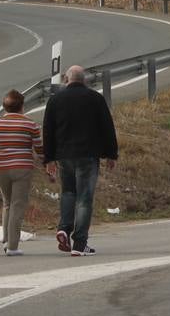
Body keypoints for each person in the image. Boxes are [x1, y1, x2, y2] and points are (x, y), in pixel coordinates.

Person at [43, 65, 118, 256]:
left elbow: (48, 130)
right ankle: (79, 243)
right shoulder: (95, 98)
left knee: (68, 192)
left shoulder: (55, 100)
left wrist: (49, 158)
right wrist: (111, 154)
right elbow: (107, 127)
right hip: (88, 154)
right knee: (84, 198)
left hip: (64, 155)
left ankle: (63, 228)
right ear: (84, 80)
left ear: (66, 80)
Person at [0, 89, 46, 255]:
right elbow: (39, 148)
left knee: (7, 203)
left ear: (4, 107)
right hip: (22, 167)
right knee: (18, 205)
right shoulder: (30, 124)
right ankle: (13, 246)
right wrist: (46, 162)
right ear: (22, 106)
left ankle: (6, 241)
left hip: (1, 168)